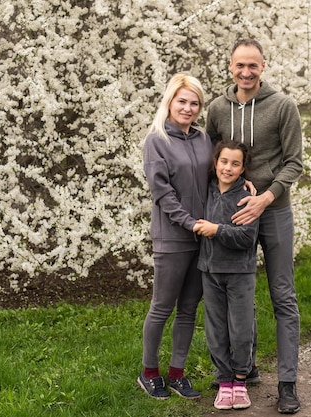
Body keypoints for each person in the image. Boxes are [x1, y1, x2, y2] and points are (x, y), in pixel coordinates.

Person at [206, 39, 304, 414]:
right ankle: (245, 369)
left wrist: (266, 197)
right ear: (230, 66)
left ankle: (288, 383)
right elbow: (213, 161)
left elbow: (294, 162)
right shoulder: (217, 108)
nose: (246, 72)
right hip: (233, 215)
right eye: (239, 65)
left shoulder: (283, 106)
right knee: (236, 290)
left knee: (282, 294)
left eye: (253, 65)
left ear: (264, 66)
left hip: (274, 212)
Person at [138, 73, 214, 400]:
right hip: (172, 238)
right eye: (182, 101)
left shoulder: (202, 139)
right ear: (170, 101)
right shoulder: (156, 140)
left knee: (188, 309)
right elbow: (162, 193)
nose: (188, 107)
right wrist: (190, 223)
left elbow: (215, 181)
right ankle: (149, 372)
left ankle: (177, 373)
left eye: (194, 103)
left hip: (203, 238)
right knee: (162, 306)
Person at [195, 140, 259, 410]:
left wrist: (216, 230)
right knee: (216, 328)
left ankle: (241, 378)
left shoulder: (246, 197)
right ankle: (223, 379)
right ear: (215, 162)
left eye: (235, 163)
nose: (228, 168)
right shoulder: (205, 190)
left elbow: (247, 237)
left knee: (241, 327)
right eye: (223, 161)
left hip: (239, 273)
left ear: (243, 168)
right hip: (210, 271)